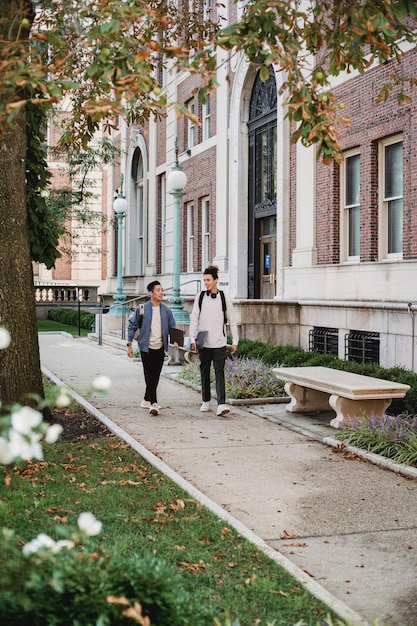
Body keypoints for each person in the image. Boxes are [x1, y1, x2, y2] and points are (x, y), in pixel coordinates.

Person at [188, 265, 238, 416]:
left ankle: (221, 404)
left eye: (208, 280)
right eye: (204, 280)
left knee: (219, 372)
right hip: (204, 341)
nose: (206, 283)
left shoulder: (224, 297)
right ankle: (205, 401)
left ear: (216, 280)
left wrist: (235, 340)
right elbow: (194, 318)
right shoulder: (200, 297)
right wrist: (192, 338)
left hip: (219, 342)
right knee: (204, 371)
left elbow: (232, 320)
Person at [127, 281, 176, 416]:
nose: (161, 293)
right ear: (151, 293)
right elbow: (131, 326)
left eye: (162, 290)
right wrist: (129, 345)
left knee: (155, 375)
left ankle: (146, 399)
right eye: (158, 290)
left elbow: (173, 327)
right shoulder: (141, 309)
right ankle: (153, 403)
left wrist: (176, 340)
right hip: (145, 347)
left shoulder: (166, 311)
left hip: (160, 347)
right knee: (149, 375)